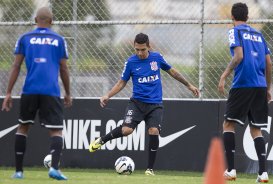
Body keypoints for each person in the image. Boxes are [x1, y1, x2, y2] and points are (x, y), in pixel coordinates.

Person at [89, 33, 200, 175]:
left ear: (149, 47)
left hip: (155, 105)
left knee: (154, 131)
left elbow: (172, 71)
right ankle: (102, 140)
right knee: (126, 130)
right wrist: (107, 95)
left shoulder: (157, 58)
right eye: (137, 49)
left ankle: (149, 169)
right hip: (136, 104)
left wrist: (189, 85)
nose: (140, 53)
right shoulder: (131, 62)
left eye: (143, 49)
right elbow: (122, 82)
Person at [1, 7, 72, 180]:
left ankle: (19, 172)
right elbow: (63, 68)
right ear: (52, 21)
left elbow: (16, 66)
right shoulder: (59, 40)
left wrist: (8, 92)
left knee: (23, 127)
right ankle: (54, 168)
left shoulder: (25, 38)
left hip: (30, 89)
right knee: (56, 131)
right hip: (51, 90)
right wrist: (68, 93)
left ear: (35, 20)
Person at [218, 2, 272, 183]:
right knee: (256, 129)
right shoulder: (259, 34)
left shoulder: (235, 31)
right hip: (260, 85)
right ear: (248, 17)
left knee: (228, 125)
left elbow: (239, 56)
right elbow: (268, 62)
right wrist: (267, 87)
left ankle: (231, 170)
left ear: (232, 17)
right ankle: (263, 173)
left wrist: (224, 75)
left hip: (242, 84)